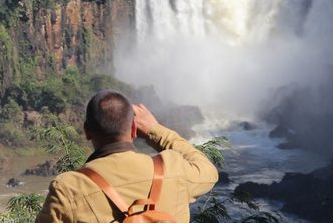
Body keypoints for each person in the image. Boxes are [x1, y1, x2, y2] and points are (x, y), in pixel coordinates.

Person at [36, 90, 218, 222]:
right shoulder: (173, 169)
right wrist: (155, 130)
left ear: (87, 132)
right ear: (134, 129)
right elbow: (209, 171)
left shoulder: (68, 189)